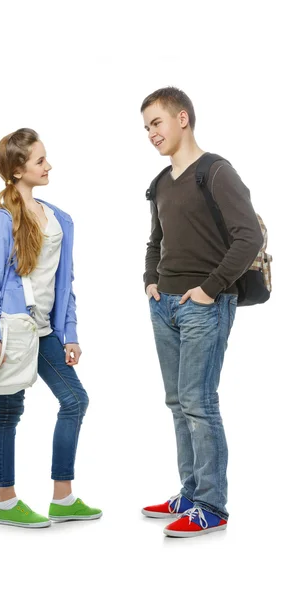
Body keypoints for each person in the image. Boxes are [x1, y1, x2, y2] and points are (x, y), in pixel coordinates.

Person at [140, 87, 263, 537]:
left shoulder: (215, 171)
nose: (151, 133)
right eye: (146, 127)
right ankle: (190, 494)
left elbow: (249, 236)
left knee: (199, 402)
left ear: (183, 118)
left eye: (157, 122)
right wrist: (150, 282)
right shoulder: (160, 182)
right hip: (165, 305)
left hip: (204, 306)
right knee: (178, 403)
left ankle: (211, 504)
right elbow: (156, 240)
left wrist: (210, 289)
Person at [0, 128, 102, 528]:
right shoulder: (3, 218)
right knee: (9, 411)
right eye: (40, 161)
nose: (48, 166)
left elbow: (65, 285)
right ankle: (6, 503)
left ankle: (62, 498)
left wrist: (72, 334)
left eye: (46, 159)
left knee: (75, 401)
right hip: (13, 333)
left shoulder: (59, 219)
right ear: (17, 170)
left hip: (47, 332)